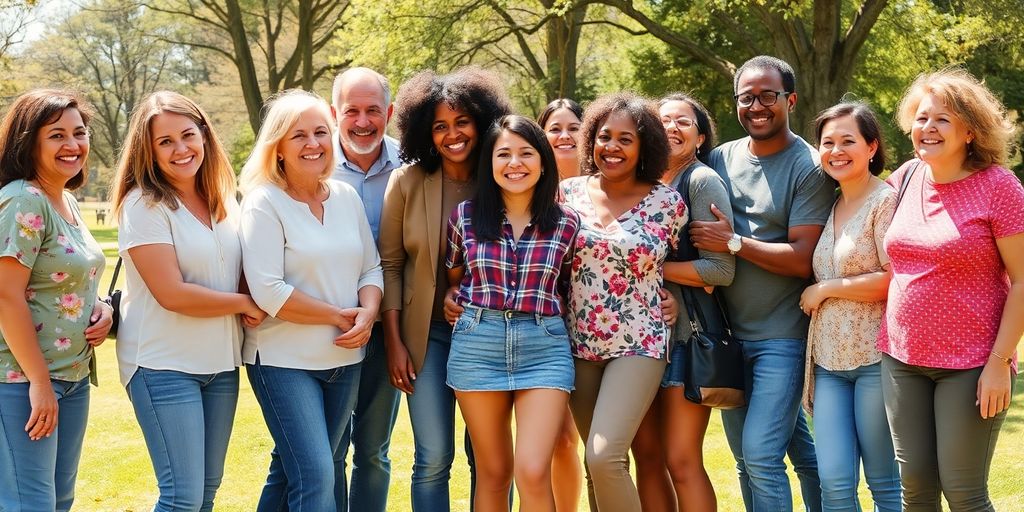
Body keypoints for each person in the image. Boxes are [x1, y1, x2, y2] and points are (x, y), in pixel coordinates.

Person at [109, 91, 266, 512]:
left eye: (187, 135)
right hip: (162, 364)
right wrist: (243, 303)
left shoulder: (223, 201)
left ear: (204, 136)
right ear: (149, 150)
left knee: (206, 492)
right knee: (181, 497)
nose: (181, 149)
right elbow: (172, 293)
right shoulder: (143, 204)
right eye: (165, 142)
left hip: (219, 364)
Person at [880, 68, 1024, 511]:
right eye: (922, 118)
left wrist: (999, 363)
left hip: (972, 364)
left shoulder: (1000, 188)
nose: (928, 128)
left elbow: (1022, 280)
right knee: (916, 491)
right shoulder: (905, 177)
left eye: (942, 119)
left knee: (964, 493)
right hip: (901, 359)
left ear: (969, 130)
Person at [691, 55, 831, 512]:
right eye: (746, 97)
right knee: (752, 457)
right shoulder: (720, 158)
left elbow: (801, 259)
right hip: (728, 338)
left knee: (760, 455)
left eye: (768, 95)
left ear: (789, 99)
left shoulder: (809, 167)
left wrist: (733, 242)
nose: (757, 105)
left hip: (782, 339)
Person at [238, 89, 383, 511]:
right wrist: (340, 316)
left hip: (345, 361)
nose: (313, 143)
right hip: (284, 361)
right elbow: (268, 290)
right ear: (277, 147)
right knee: (317, 475)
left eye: (321, 132)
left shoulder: (345, 198)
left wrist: (368, 313)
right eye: (298, 135)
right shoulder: (264, 202)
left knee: (295, 471)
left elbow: (371, 269)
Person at [379, 67, 511, 511]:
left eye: (462, 122)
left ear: (482, 121)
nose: (452, 134)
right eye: (439, 126)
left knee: (490, 460)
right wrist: (395, 342)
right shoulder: (406, 182)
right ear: (423, 132)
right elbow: (391, 266)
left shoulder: (504, 177)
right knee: (433, 457)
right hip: (426, 338)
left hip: (490, 338)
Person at [443, 114, 579, 512]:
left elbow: (570, 283)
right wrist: (453, 294)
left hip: (545, 346)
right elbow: (454, 276)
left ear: (543, 161)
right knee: (493, 472)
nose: (514, 163)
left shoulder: (567, 223)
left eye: (526, 153)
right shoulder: (465, 217)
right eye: (504, 154)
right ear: (489, 162)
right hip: (477, 344)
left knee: (533, 470)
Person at [560, 92, 686, 512]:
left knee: (603, 455)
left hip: (639, 341)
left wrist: (677, 300)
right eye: (603, 136)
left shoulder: (668, 202)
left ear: (644, 145)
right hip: (577, 343)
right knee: (596, 467)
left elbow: (688, 266)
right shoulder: (566, 194)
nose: (611, 147)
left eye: (625, 139)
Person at [0, 89, 113, 511]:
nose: (73, 145)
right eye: (57, 135)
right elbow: (6, 297)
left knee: (58, 501)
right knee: (31, 504)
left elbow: (66, 279)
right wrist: (40, 385)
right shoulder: (23, 199)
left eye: (79, 133)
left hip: (73, 378)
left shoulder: (65, 199)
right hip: (20, 382)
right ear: (29, 141)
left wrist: (102, 308)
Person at [631, 92, 735, 512]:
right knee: (647, 459)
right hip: (636, 340)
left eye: (683, 122)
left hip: (685, 340)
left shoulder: (701, 181)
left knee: (681, 459)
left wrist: (646, 268)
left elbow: (721, 271)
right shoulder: (636, 184)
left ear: (700, 137)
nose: (672, 127)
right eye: (663, 119)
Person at [799, 102, 900, 511]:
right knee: (835, 482)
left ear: (872, 147)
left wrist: (826, 290)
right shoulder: (832, 204)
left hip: (874, 360)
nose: (836, 150)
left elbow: (895, 279)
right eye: (827, 143)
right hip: (827, 365)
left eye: (848, 141)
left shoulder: (885, 201)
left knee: (883, 481)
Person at [330, 67, 403, 512]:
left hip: (389, 327)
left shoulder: (412, 164)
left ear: (389, 113)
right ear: (334, 113)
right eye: (351, 111)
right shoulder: (311, 162)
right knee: (329, 449)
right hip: (328, 324)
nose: (362, 121)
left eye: (373, 110)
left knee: (373, 449)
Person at [536, 97, 584, 512]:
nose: (565, 135)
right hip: (545, 326)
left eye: (573, 127)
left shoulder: (606, 185)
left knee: (605, 443)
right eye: (555, 128)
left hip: (599, 325)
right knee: (559, 437)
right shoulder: (525, 187)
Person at [538, 98, 584, 181]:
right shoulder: (530, 185)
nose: (564, 136)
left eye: (573, 129)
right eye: (555, 129)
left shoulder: (604, 184)